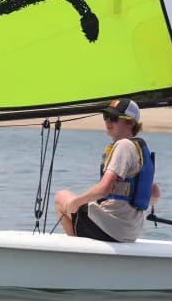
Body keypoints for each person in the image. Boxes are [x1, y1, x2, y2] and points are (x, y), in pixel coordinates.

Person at [54, 98, 161, 242]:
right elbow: (154, 194)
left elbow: (104, 189)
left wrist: (76, 203)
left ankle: (77, 250)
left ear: (131, 122)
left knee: (62, 197)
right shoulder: (139, 150)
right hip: (131, 232)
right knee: (77, 202)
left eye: (114, 118)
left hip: (112, 228)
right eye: (106, 117)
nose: (108, 122)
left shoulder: (124, 145)